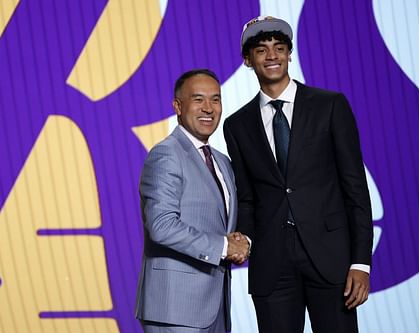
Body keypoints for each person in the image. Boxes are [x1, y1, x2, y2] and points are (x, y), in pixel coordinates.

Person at [223, 17, 373, 332]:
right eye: (261, 50)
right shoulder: (237, 124)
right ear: (248, 61)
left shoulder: (330, 106)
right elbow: (248, 197)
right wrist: (245, 238)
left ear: (290, 53)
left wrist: (360, 263)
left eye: (279, 48)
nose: (272, 56)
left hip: (330, 259)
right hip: (271, 261)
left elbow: (355, 190)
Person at [135, 69, 249, 333]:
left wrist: (242, 243)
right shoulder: (166, 154)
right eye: (198, 100)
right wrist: (223, 247)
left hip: (214, 306)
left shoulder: (222, 161)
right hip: (175, 308)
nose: (208, 108)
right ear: (177, 106)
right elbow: (161, 226)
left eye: (215, 99)